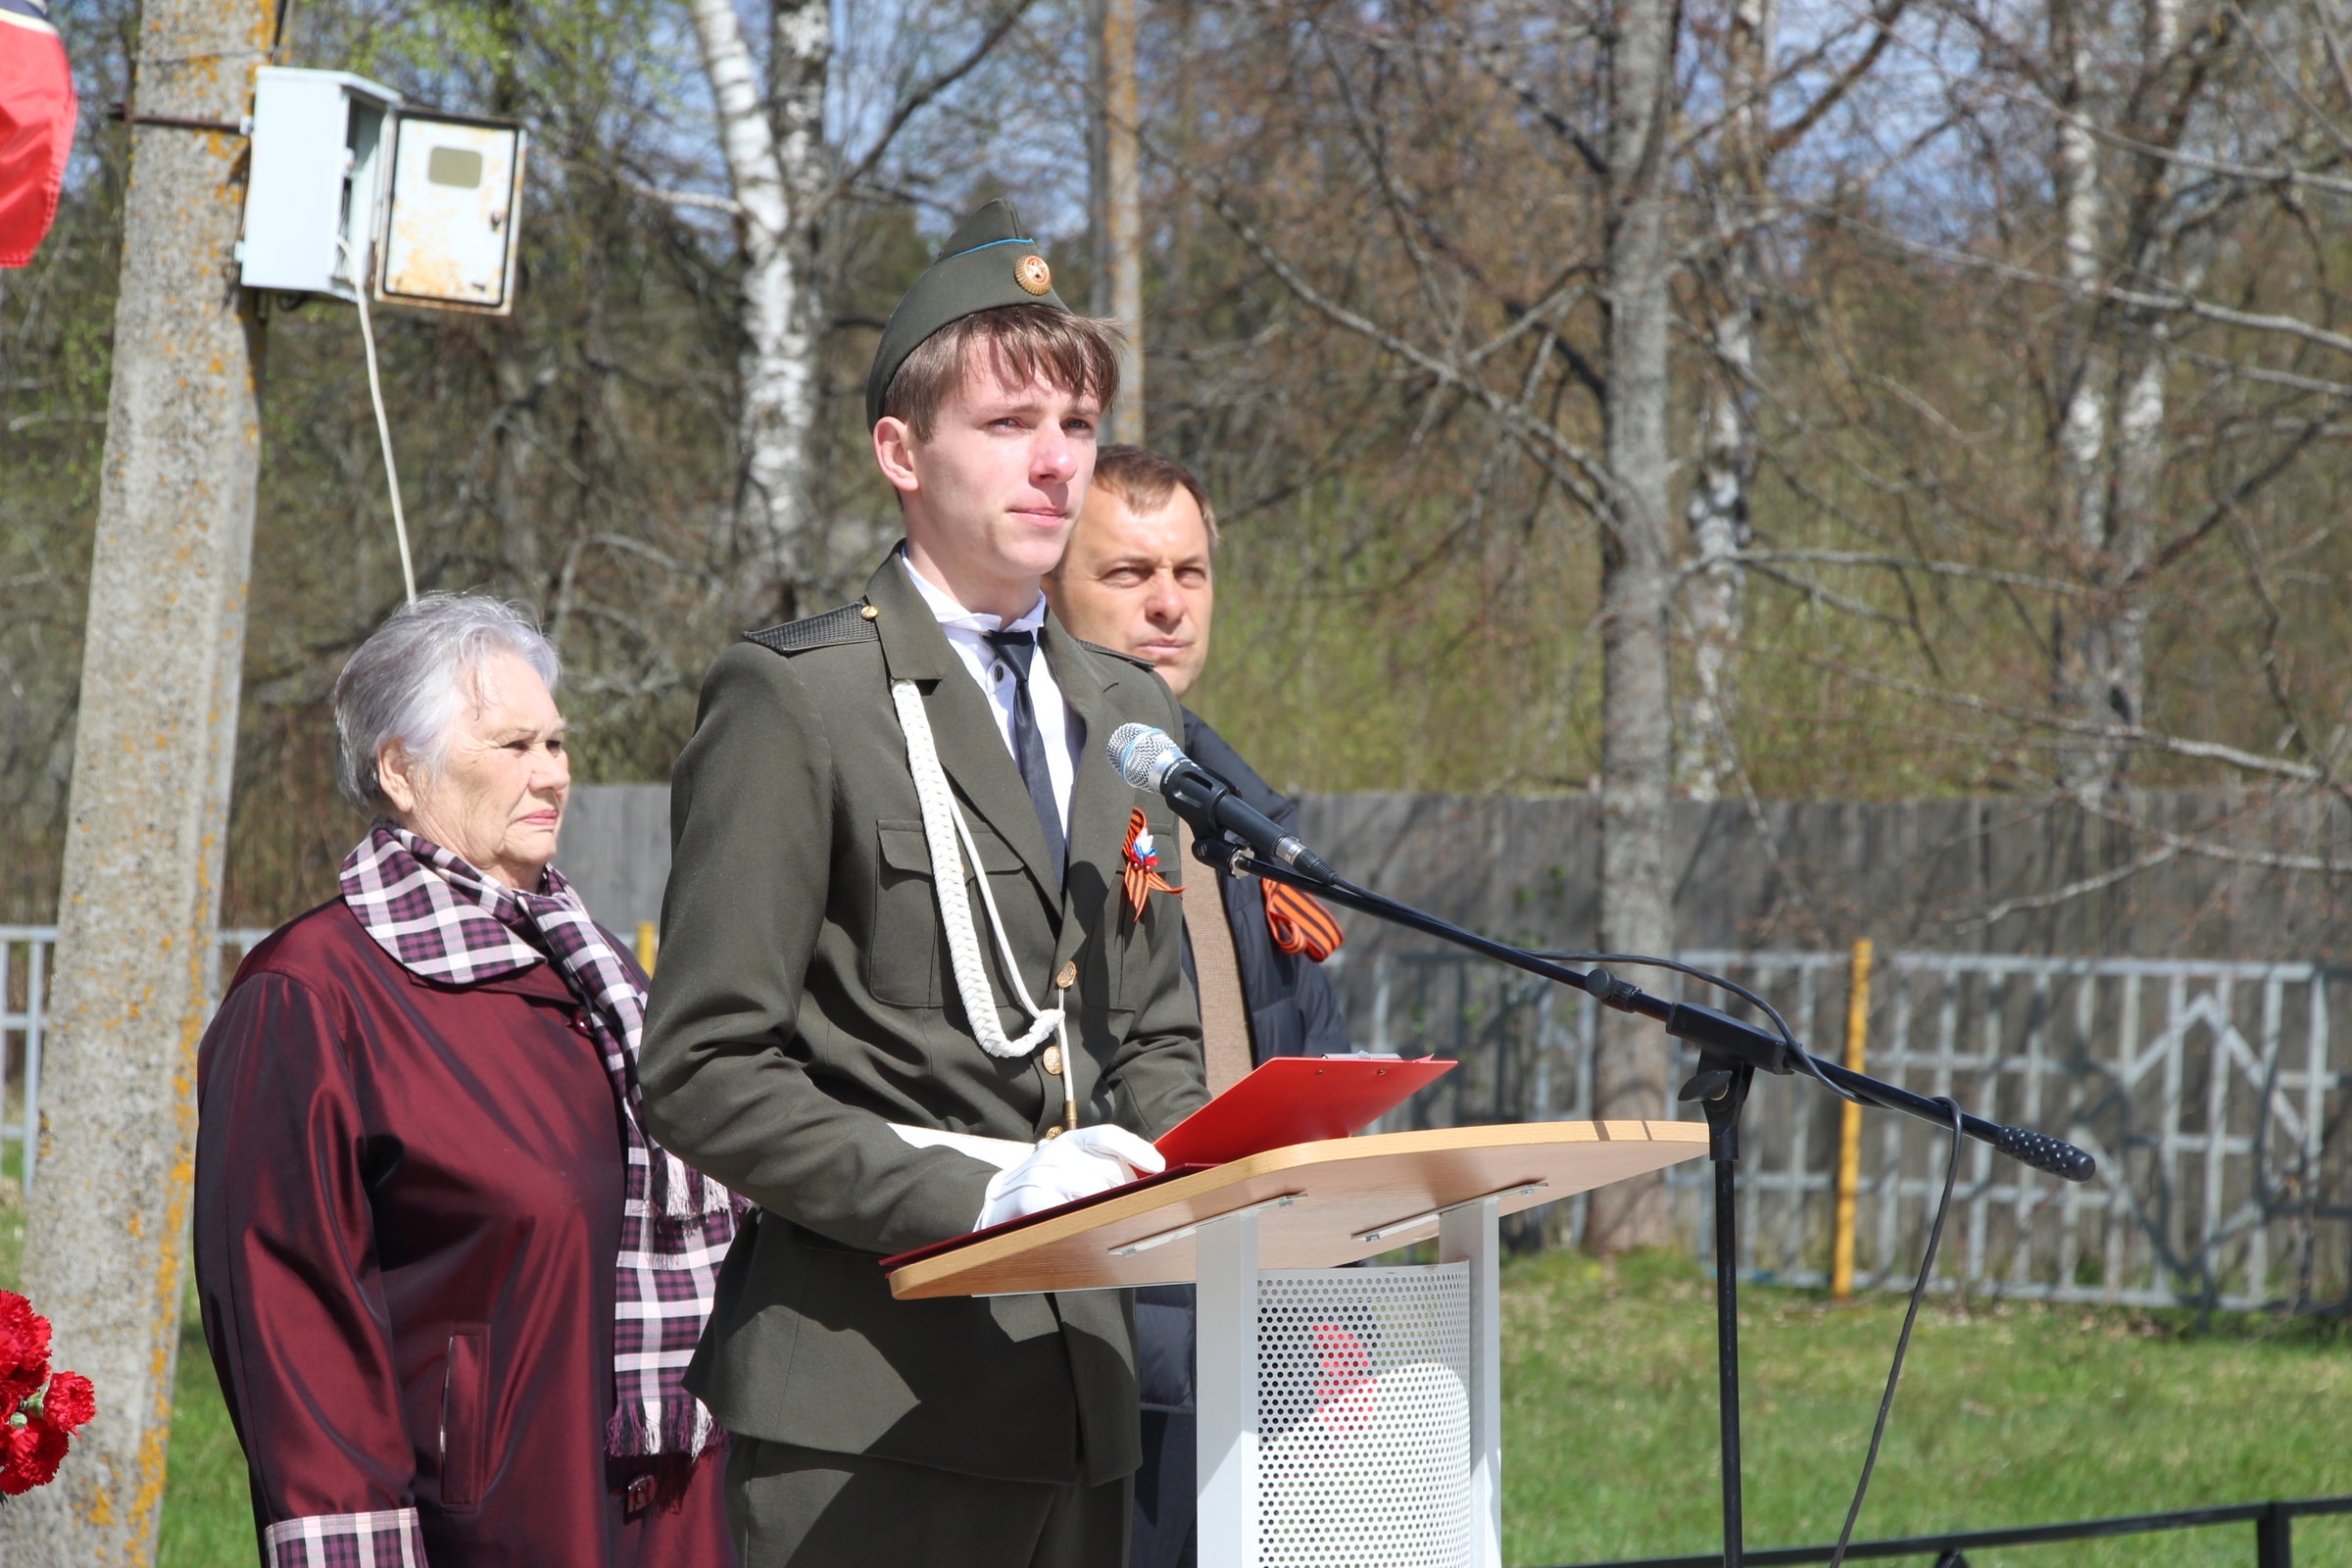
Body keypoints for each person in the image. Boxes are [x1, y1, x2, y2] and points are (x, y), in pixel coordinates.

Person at [637, 199, 1208, 1568]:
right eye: (1009, 425)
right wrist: (985, 1196)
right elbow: (706, 1068)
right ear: (901, 452)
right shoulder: (802, 700)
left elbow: (1153, 1036)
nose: (1055, 464)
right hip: (870, 1408)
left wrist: (1234, 1187)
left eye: (1074, 426)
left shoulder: (1123, 710)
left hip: (1083, 1402)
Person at [193, 594, 738, 1568]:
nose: (553, 774)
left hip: (675, 1519)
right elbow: (296, 1324)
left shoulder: (601, 975)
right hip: (500, 1533)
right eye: (515, 745)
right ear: (403, 770)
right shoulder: (314, 994)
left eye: (559, 743)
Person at [1046, 444, 1350, 1568]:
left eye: (1191, 571)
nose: (1169, 603)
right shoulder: (1032, 803)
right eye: (1128, 574)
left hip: (1259, 1323)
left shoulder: (1247, 822)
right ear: (1047, 588)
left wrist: (1329, 1298)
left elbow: (1308, 1070)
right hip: (1094, 1335)